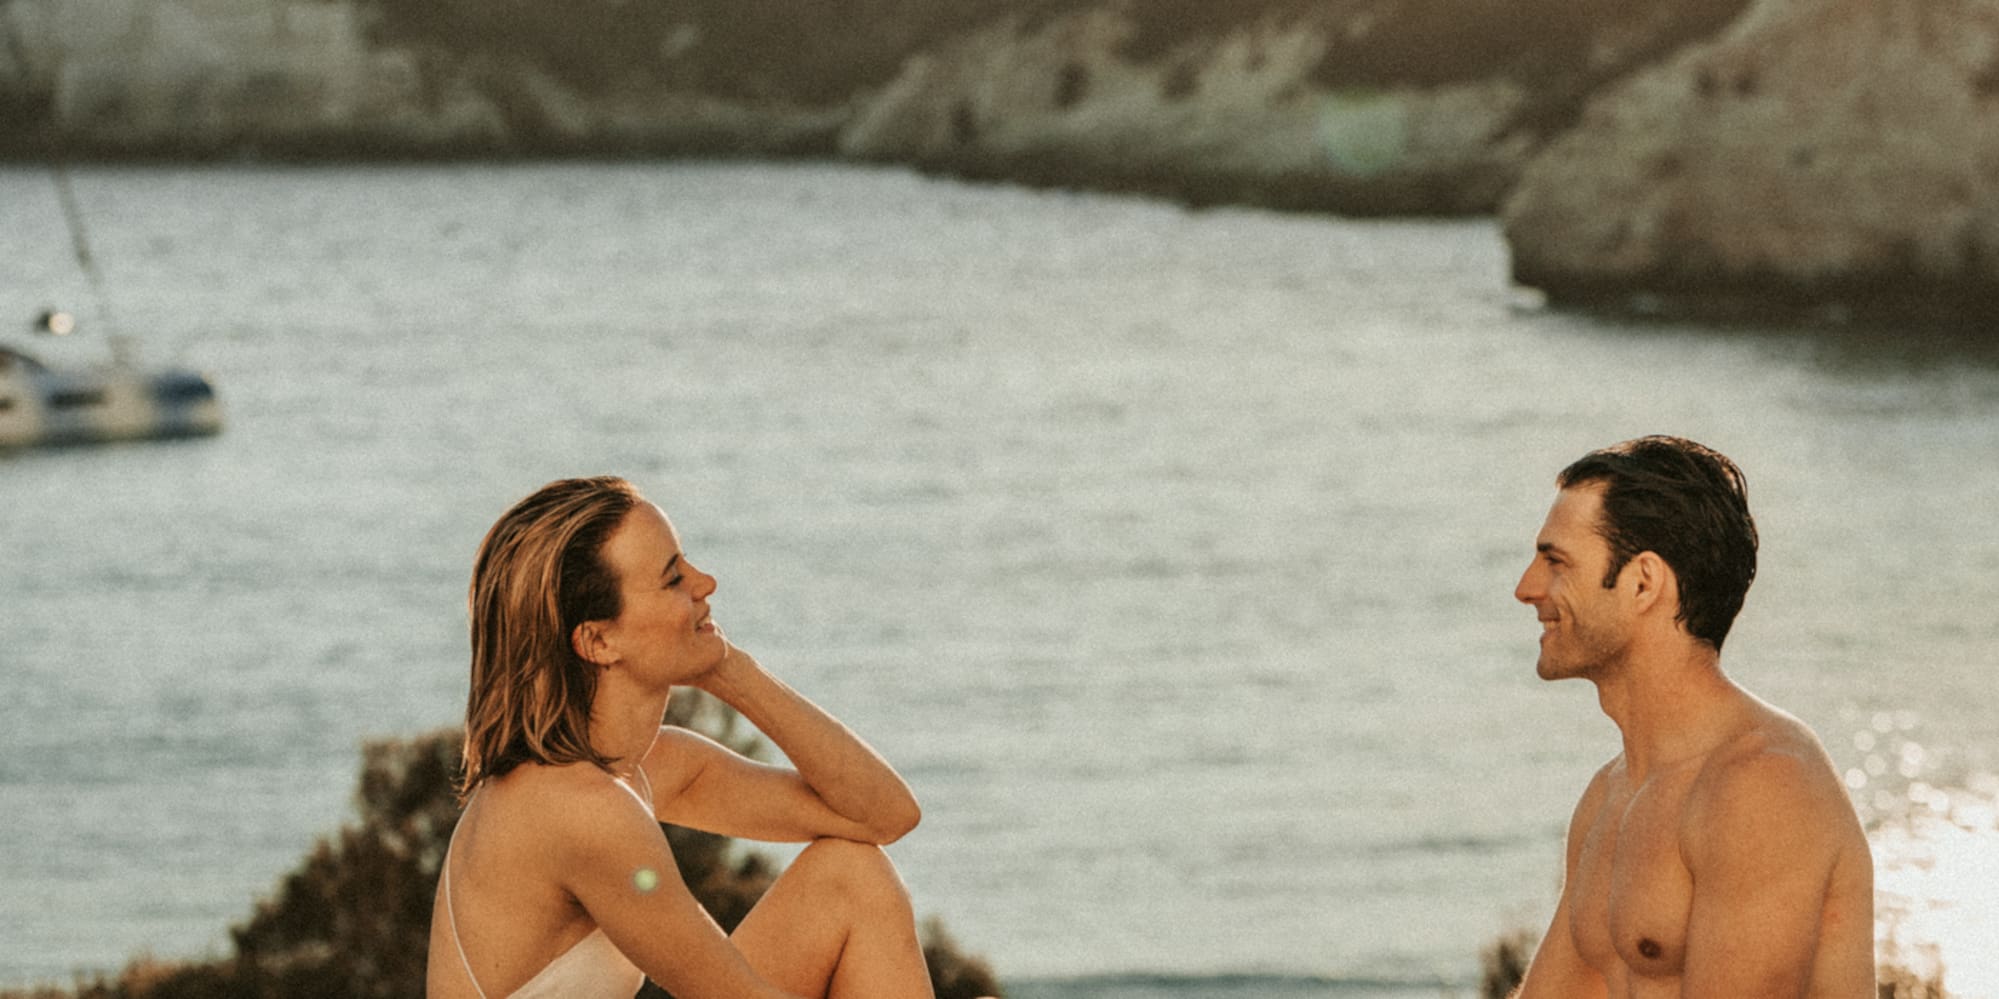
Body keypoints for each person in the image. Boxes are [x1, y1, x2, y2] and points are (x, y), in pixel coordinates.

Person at [427, 476, 936, 999]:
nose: (706, 582)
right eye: (673, 580)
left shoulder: (644, 767)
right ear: (598, 640)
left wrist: (735, 672)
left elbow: (882, 815)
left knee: (849, 875)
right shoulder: (576, 807)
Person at [1509, 436, 1874, 998]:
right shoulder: (1610, 796)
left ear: (1643, 582)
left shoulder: (1763, 786)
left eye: (1556, 561)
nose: (1526, 588)